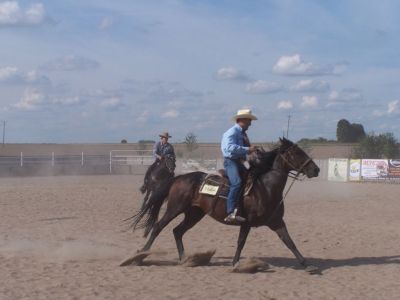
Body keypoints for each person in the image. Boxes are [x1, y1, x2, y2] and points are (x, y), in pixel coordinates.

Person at [221, 109, 257, 223]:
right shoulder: (232, 132)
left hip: (239, 162)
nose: (250, 124)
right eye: (249, 120)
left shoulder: (241, 134)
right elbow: (229, 148)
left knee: (253, 175)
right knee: (236, 183)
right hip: (230, 161)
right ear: (242, 120)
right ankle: (230, 212)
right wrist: (247, 149)